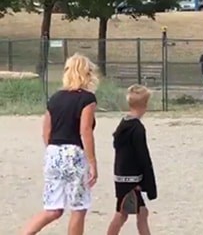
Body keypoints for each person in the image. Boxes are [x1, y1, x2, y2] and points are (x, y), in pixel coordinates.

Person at [22, 53, 99, 235]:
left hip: (53, 152)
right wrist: (93, 162)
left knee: (53, 209)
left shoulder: (55, 98)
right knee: (79, 207)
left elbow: (46, 131)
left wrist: (53, 150)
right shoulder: (87, 99)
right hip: (74, 153)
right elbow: (85, 130)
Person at [106, 85, 157, 235]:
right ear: (145, 105)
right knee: (122, 213)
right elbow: (143, 157)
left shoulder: (123, 125)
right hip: (131, 179)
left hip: (122, 176)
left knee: (140, 212)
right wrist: (147, 183)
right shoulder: (137, 128)